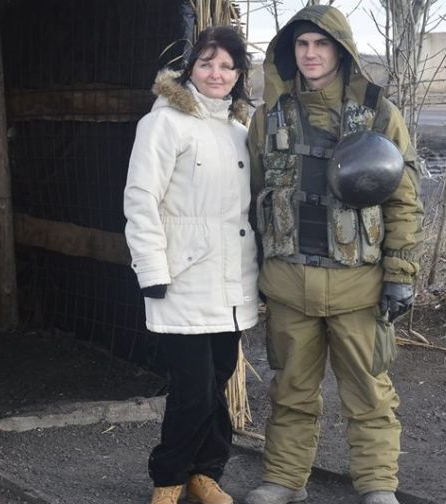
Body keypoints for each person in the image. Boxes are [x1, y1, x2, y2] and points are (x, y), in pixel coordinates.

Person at [245, 5, 423, 504]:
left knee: (369, 394)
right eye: (302, 44)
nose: (311, 54)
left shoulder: (379, 115)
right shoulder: (268, 118)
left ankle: (377, 485)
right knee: (290, 391)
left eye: (321, 44)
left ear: (341, 51)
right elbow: (252, 197)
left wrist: (400, 274)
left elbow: (404, 200)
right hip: (288, 283)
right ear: (290, 51)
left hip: (357, 287)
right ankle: (284, 480)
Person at [123, 26, 258, 504]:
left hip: (232, 281)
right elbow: (141, 199)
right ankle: (168, 479)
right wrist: (151, 269)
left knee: (217, 382)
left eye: (226, 66)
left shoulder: (240, 133)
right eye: (206, 63)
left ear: (238, 75)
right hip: (182, 278)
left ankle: (205, 472)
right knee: (193, 390)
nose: (216, 74)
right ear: (190, 68)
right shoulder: (163, 124)